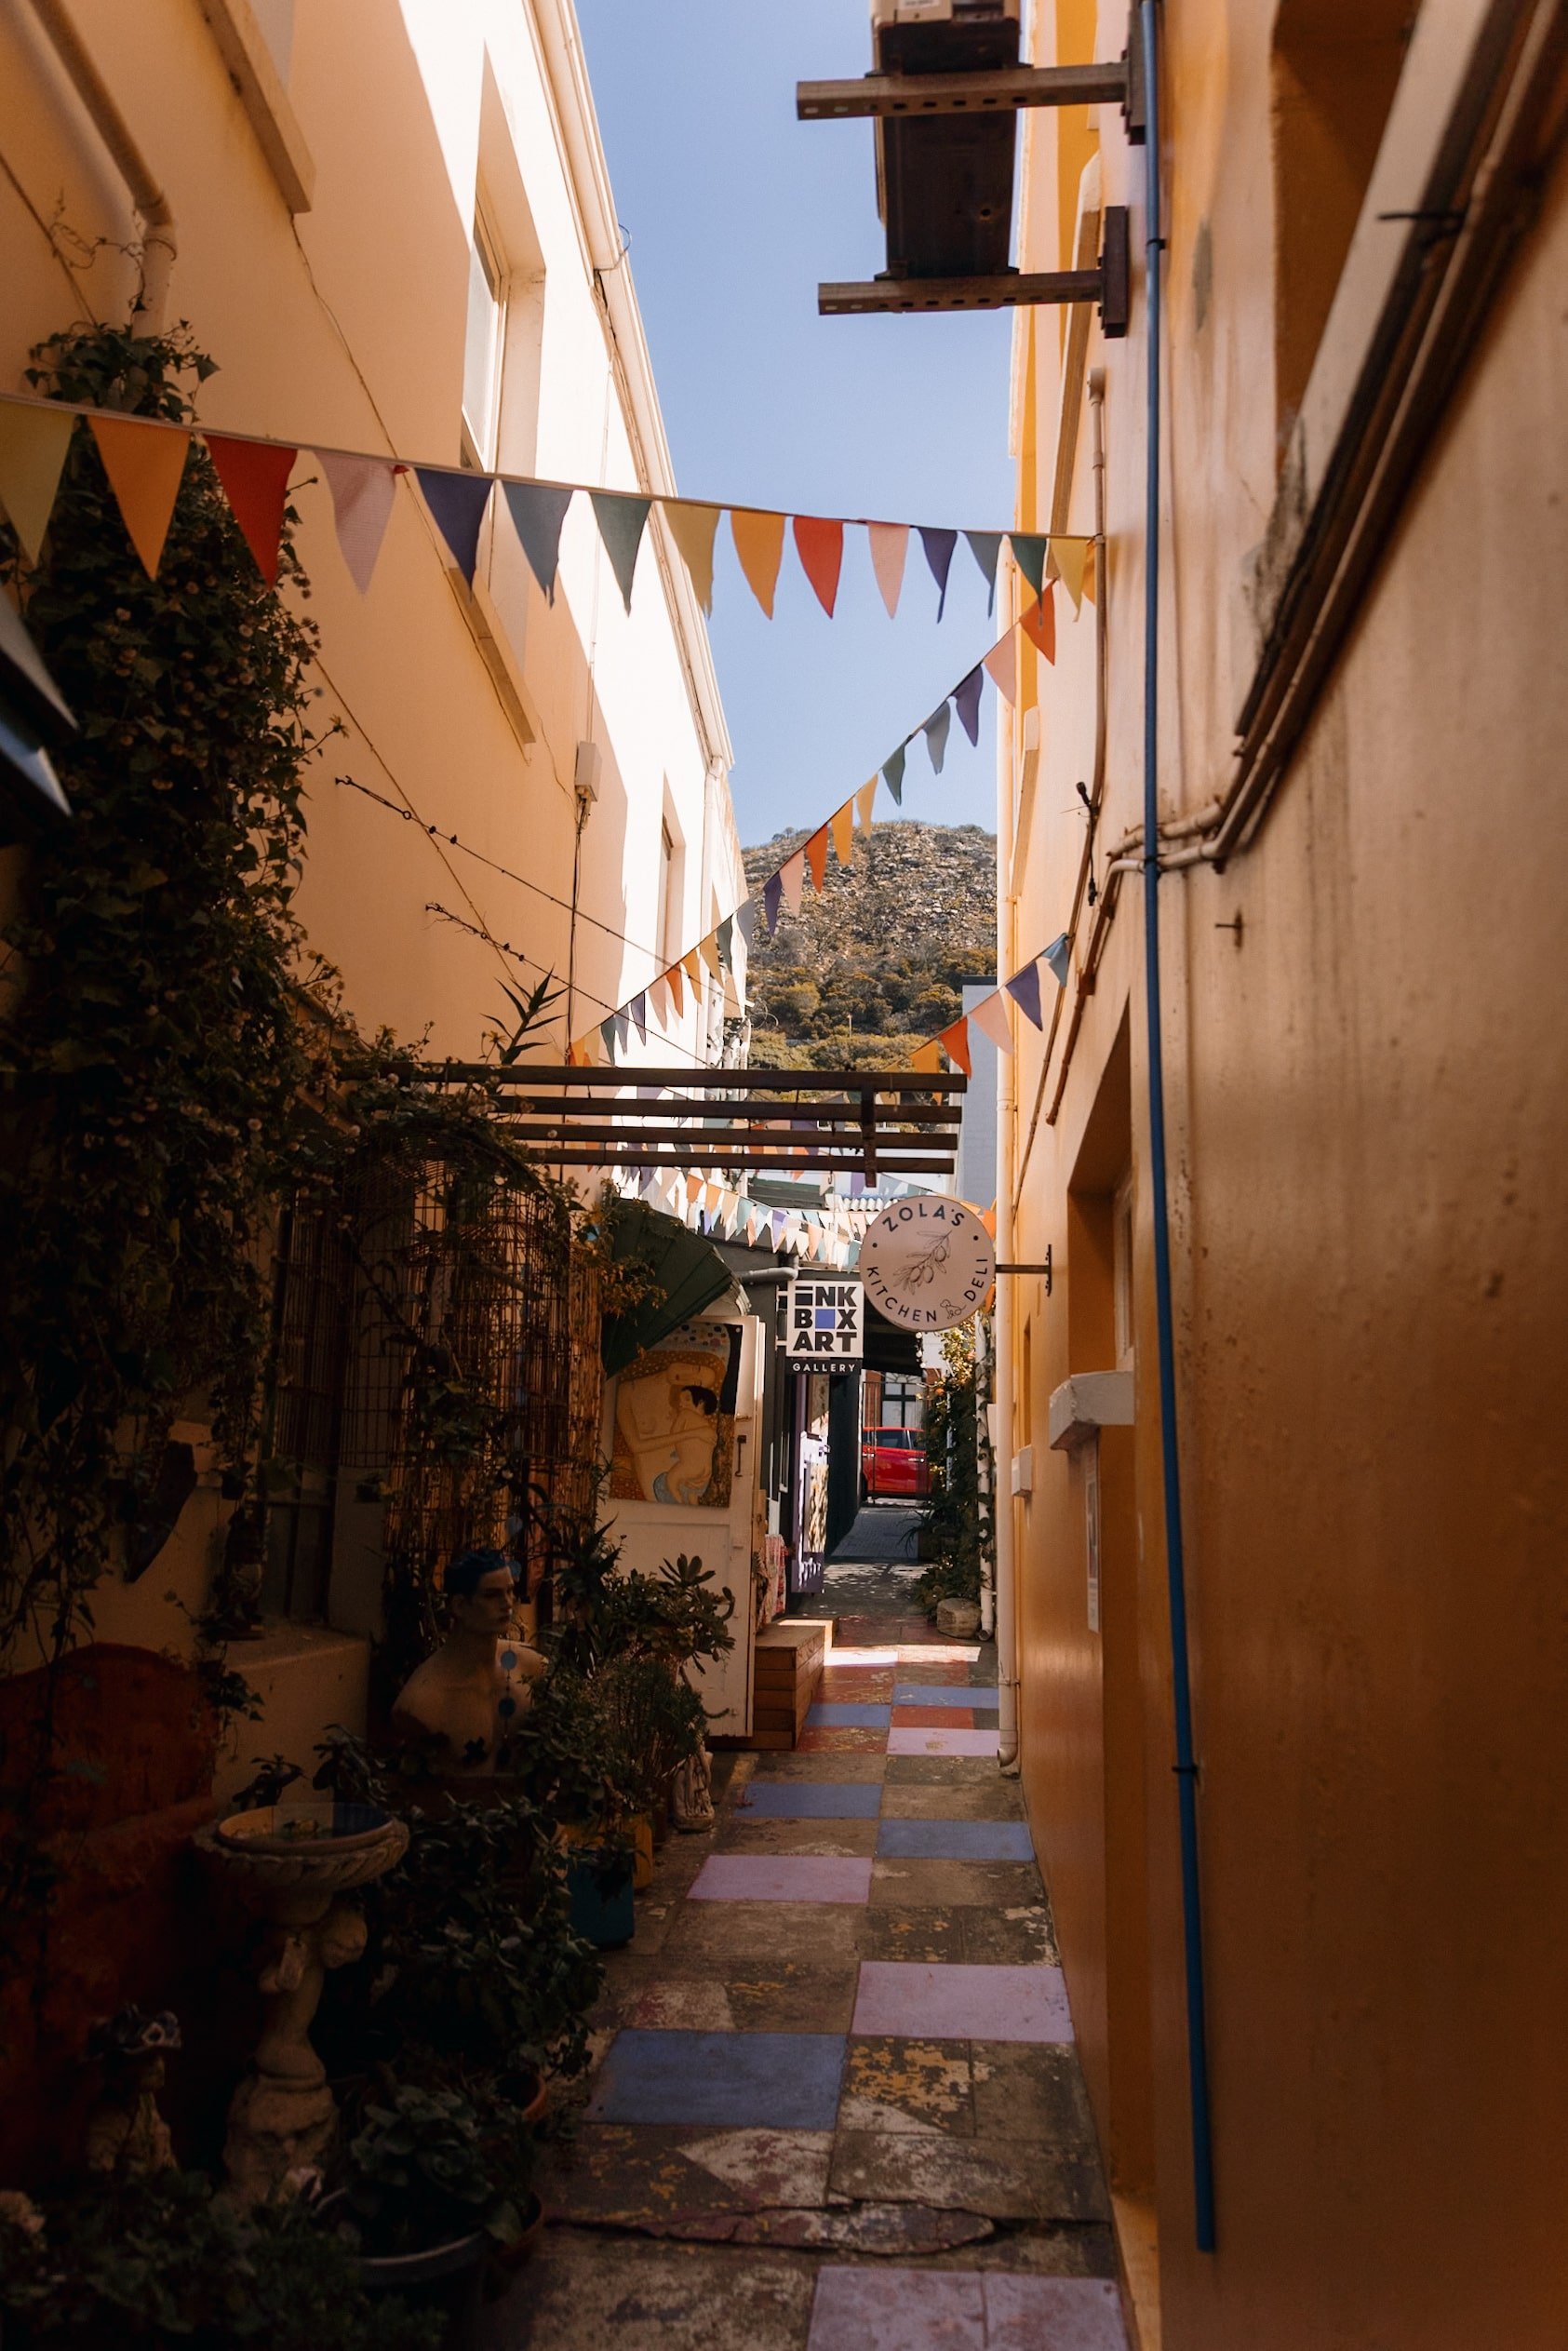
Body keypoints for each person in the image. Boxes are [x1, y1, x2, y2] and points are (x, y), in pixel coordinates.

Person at [390, 1550, 545, 1773]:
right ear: (460, 1606)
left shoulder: (531, 1667)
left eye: (510, 1591)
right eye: (492, 1595)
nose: (507, 1603)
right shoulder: (424, 1702)